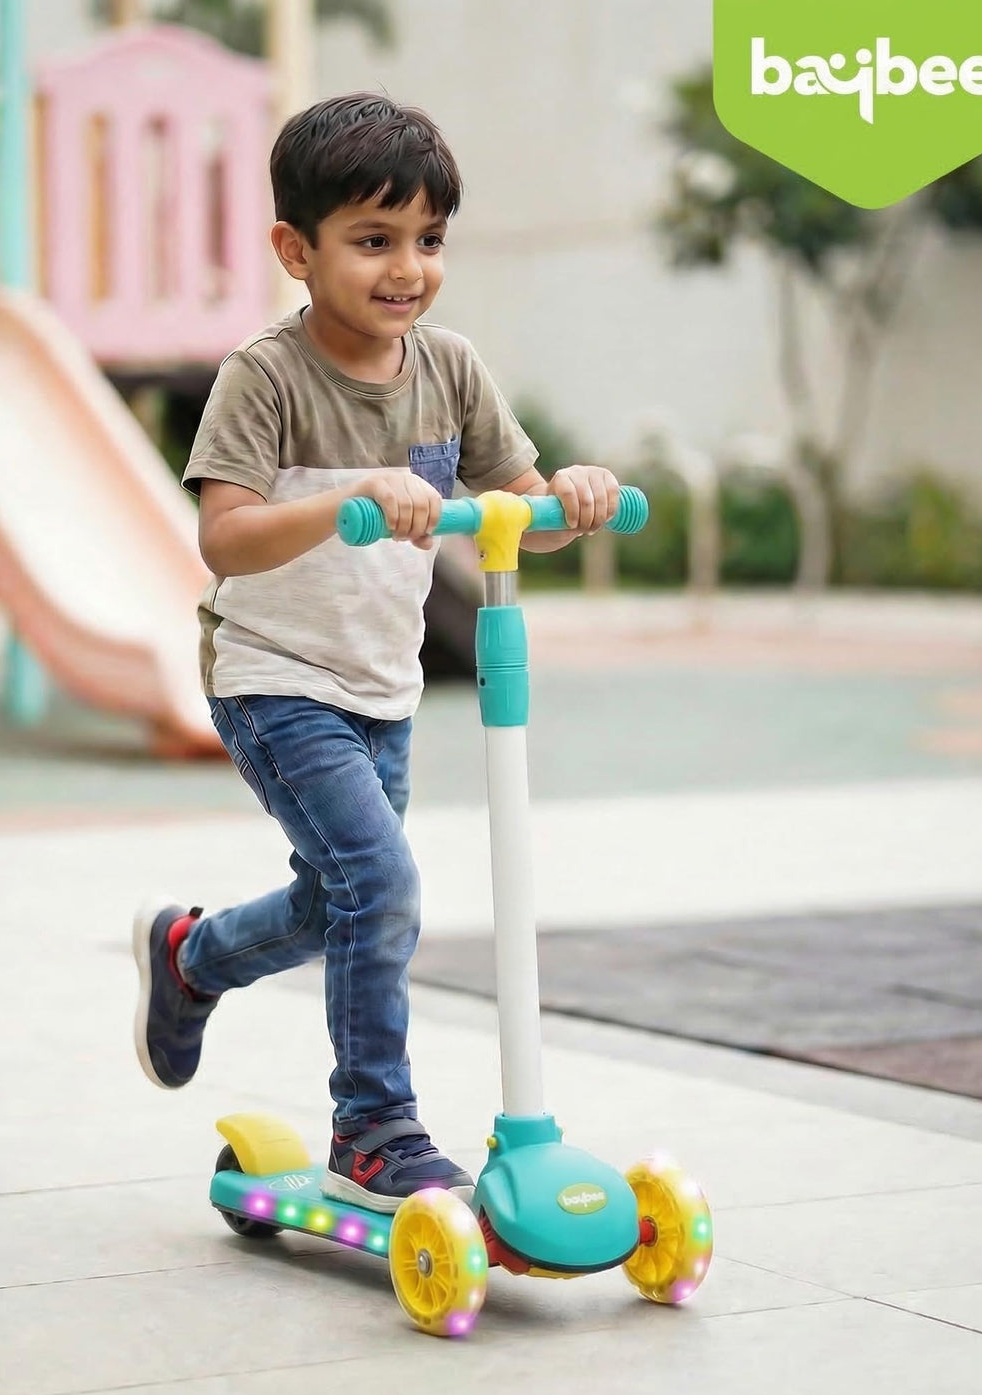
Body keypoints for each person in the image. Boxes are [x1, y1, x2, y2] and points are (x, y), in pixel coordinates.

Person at [132, 92, 620, 1213]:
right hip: (274, 679)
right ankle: (373, 1127)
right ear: (295, 250)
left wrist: (574, 496)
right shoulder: (264, 378)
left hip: (381, 686)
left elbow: (524, 514)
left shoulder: (448, 369)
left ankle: (192, 958)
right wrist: (351, 496)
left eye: (427, 240)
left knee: (335, 901)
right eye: (372, 240)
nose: (406, 269)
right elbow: (225, 537)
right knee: (382, 885)